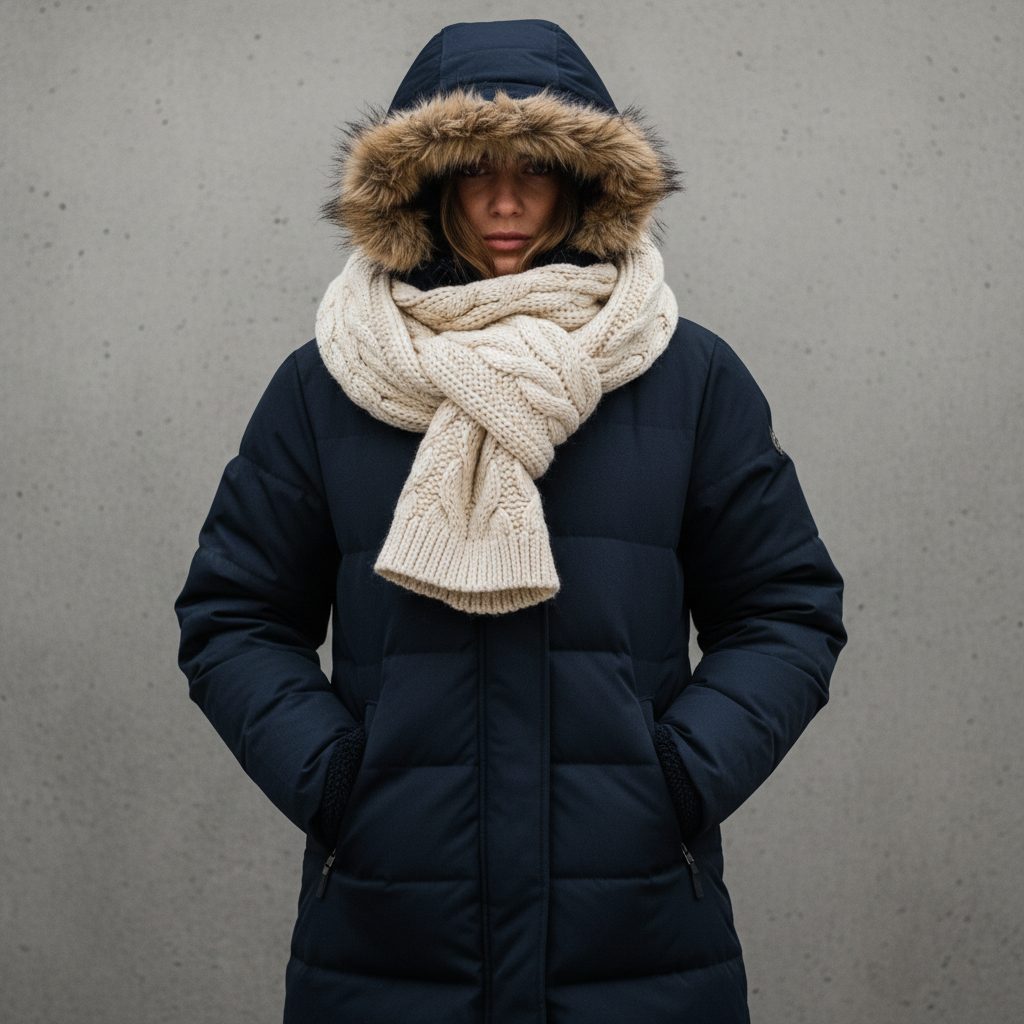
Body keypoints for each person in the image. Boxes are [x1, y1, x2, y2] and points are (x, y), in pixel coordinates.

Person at [175, 19, 846, 1024]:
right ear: (421, 185)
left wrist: (670, 778)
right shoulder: (327, 386)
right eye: (471, 170)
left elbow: (786, 609)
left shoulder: (687, 377)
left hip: (636, 940)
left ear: (582, 182)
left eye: (533, 168)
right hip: (389, 939)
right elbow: (234, 616)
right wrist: (341, 783)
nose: (501, 201)